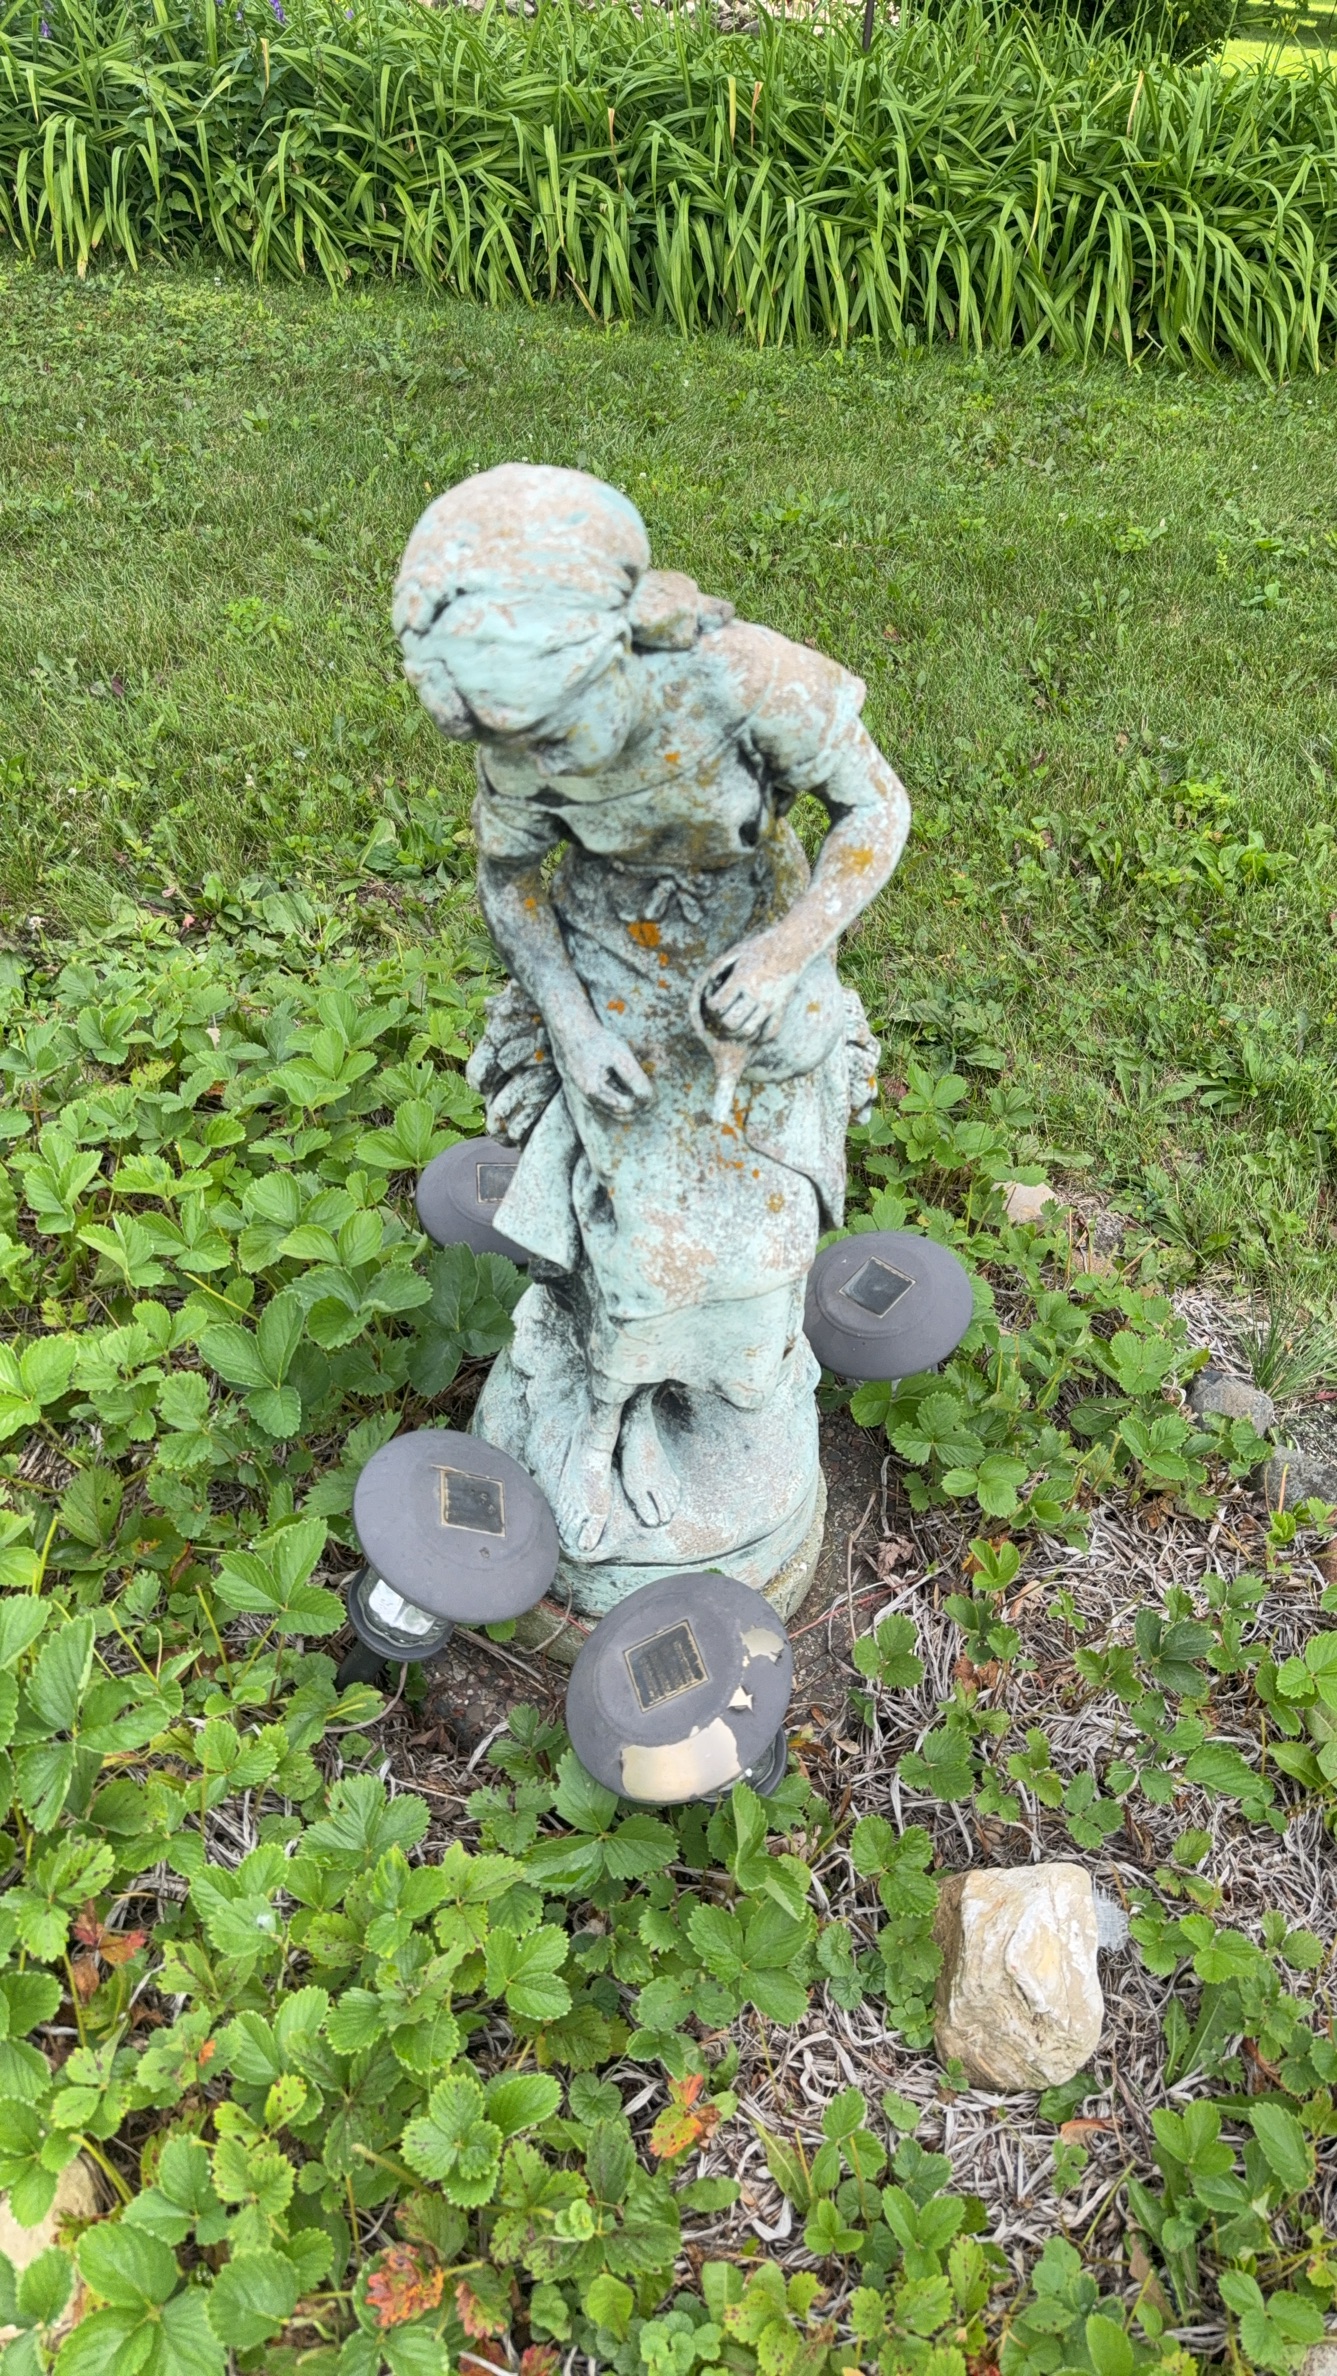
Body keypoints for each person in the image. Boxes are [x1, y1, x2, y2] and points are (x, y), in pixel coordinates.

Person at [394, 464, 909, 1567]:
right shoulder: (511, 736)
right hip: (610, 978)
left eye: (548, 736)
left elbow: (875, 810)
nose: (528, 764)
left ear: (614, 651)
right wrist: (572, 1028)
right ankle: (597, 1418)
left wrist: (786, 955)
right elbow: (510, 882)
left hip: (755, 972)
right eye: (507, 744)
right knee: (629, 1245)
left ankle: (736, 1399)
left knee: (763, 1231)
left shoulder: (743, 681)